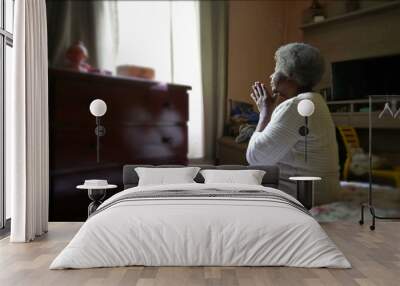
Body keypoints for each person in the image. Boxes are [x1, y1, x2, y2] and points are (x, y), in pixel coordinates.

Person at [246, 42, 340, 205]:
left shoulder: (296, 106)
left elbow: (255, 158)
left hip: (305, 197)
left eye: (276, 68)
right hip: (324, 193)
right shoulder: (315, 100)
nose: (271, 75)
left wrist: (265, 113)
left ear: (289, 74)